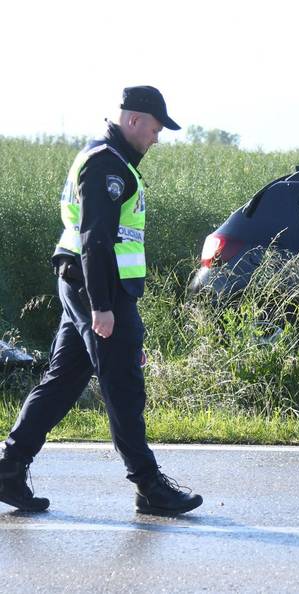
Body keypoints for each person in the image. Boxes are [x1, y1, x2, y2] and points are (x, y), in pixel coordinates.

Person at [0, 86, 202, 516]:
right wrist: (102, 306)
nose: (156, 137)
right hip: (99, 291)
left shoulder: (109, 158)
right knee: (123, 384)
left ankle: (9, 467)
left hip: (85, 285)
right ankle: (149, 486)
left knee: (64, 380)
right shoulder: (107, 166)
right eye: (154, 127)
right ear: (133, 120)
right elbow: (94, 238)